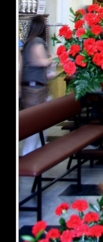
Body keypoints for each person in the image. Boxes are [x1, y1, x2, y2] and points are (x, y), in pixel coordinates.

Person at [20, 15, 54, 155]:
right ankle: (29, 159)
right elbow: (43, 62)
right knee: (35, 131)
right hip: (35, 91)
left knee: (36, 130)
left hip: (30, 88)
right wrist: (55, 57)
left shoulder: (28, 43)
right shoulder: (37, 41)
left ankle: (34, 157)